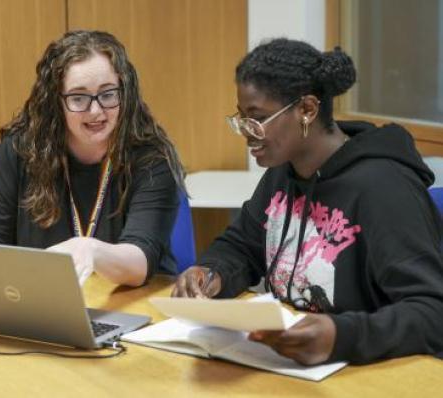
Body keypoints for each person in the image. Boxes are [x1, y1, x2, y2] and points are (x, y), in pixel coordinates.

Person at [172, 38, 443, 365]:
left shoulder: (384, 188)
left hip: (369, 372)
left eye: (256, 118)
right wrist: (211, 272)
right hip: (290, 366)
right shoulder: (283, 172)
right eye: (241, 117)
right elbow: (242, 245)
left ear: (307, 110)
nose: (246, 132)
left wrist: (340, 336)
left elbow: (432, 312)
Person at [0, 30, 185, 287]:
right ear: (55, 102)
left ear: (124, 93)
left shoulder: (151, 159)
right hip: (44, 305)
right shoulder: (20, 150)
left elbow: (140, 259)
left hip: (133, 308)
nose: (95, 110)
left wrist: (90, 251)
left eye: (107, 94)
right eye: (78, 98)